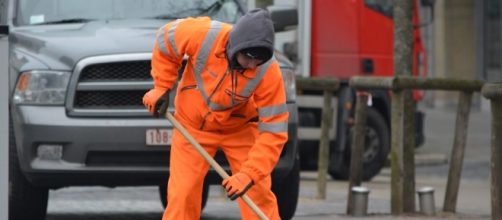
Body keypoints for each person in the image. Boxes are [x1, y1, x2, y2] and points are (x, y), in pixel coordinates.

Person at [143, 8, 288, 220]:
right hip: (191, 127)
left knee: (257, 194)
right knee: (182, 195)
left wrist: (249, 174)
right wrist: (162, 86)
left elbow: (274, 129)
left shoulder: (268, 71)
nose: (252, 65)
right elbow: (167, 39)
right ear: (236, 44)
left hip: (239, 129)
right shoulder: (203, 34)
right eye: (249, 58)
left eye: (259, 61)